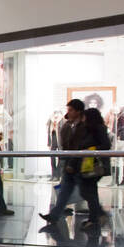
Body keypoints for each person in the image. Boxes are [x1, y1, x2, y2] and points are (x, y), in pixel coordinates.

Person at [40, 98, 92, 230]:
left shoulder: (84, 126)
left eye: (70, 110)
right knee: (65, 190)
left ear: (78, 111)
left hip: (79, 164)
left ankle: (97, 215)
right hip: (70, 163)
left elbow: (79, 146)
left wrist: (72, 161)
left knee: (88, 192)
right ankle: (55, 215)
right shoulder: (68, 125)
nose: (67, 112)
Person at [75, 105, 111, 230]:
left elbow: (106, 145)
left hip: (94, 166)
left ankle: (96, 217)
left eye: (85, 117)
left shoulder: (99, 129)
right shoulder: (89, 129)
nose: (83, 119)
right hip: (88, 165)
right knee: (90, 192)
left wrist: (91, 150)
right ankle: (96, 217)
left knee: (87, 192)